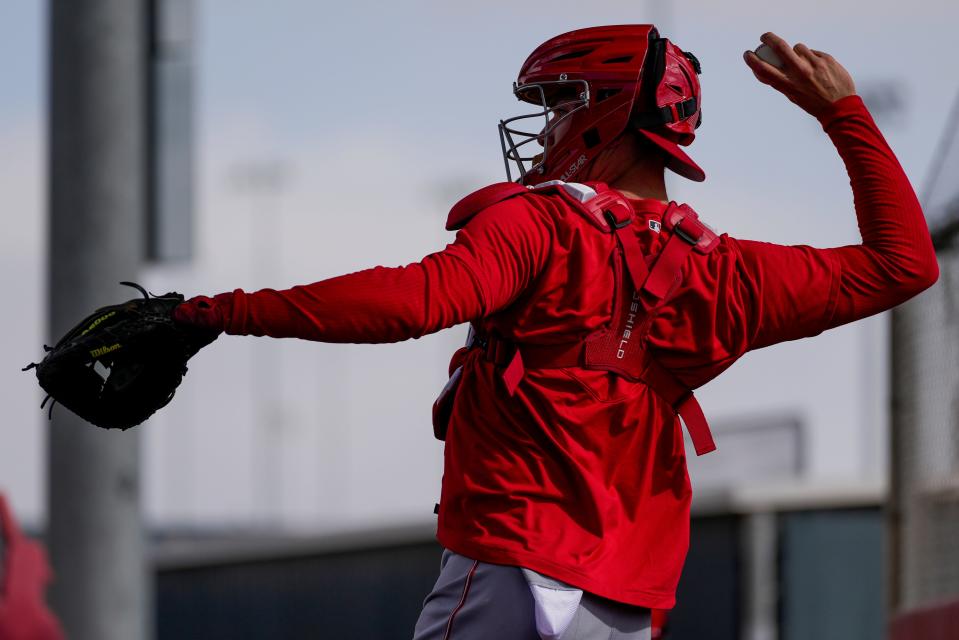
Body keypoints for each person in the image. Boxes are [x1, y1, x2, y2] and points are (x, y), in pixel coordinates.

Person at [173, 26, 938, 640]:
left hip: (514, 565)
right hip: (626, 598)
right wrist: (843, 115)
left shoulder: (541, 223)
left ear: (606, 113)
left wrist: (212, 311)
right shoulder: (725, 271)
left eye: (560, 103)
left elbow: (409, 302)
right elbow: (903, 263)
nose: (545, 127)